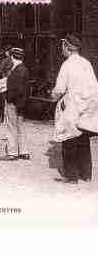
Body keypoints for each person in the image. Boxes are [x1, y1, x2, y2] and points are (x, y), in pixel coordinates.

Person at [52, 35, 98, 184]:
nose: (61, 50)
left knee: (68, 139)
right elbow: (94, 87)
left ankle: (71, 176)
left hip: (71, 106)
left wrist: (54, 95)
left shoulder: (67, 65)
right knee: (83, 139)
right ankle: (86, 174)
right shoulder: (86, 63)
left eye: (62, 47)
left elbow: (59, 88)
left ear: (67, 47)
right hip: (85, 106)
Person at [0, 48, 31, 161]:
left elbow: (15, 89)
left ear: (12, 57)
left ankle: (12, 153)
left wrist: (6, 94)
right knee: (21, 127)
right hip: (21, 103)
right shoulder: (25, 69)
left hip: (13, 103)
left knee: (11, 127)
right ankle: (24, 151)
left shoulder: (16, 70)